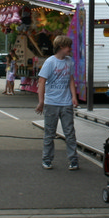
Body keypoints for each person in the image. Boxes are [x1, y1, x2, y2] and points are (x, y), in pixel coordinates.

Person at [35, 36, 80, 171]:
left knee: (70, 132)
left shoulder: (69, 61)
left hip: (66, 103)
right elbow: (41, 82)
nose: (70, 49)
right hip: (51, 103)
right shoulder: (50, 62)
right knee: (49, 133)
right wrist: (41, 101)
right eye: (68, 47)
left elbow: (70, 79)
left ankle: (73, 160)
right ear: (61, 47)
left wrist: (74, 96)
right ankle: (47, 159)